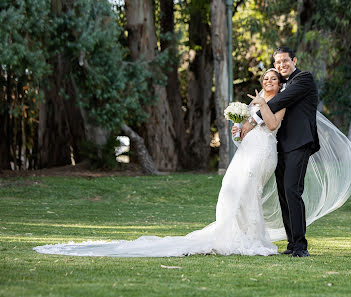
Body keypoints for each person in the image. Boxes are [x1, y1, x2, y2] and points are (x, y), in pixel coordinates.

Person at [33, 68, 288, 257]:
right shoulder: (253, 102)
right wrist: (238, 127)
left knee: (249, 193)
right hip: (246, 152)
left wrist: (263, 104)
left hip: (263, 152)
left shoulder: (277, 101)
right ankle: (235, 233)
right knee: (233, 191)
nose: (268, 81)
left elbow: (273, 124)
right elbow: (243, 132)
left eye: (273, 79)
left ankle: (253, 238)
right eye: (265, 78)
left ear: (279, 84)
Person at [242, 46, 320, 257]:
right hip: (279, 146)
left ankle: (301, 246)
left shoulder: (304, 78)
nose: (281, 65)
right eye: (277, 62)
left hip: (299, 142)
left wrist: (252, 120)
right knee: (284, 194)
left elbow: (281, 101)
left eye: (285, 61)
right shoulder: (280, 85)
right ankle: (292, 243)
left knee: (292, 190)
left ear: (294, 60)